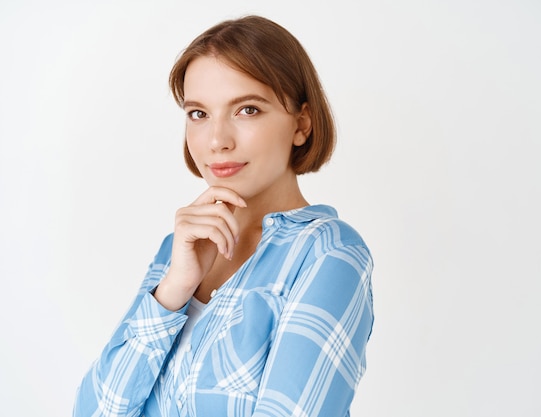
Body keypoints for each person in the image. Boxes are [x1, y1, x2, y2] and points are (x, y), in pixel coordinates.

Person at [73, 15, 374, 417]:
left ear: (301, 123)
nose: (217, 141)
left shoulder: (328, 254)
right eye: (198, 114)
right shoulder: (179, 248)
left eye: (247, 110)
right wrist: (173, 291)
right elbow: (93, 411)